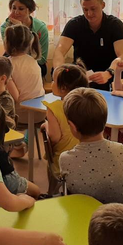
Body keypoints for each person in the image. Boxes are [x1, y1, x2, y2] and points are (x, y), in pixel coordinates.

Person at [59, 88, 123, 207]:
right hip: (119, 215)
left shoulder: (65, 159)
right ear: (105, 120)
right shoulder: (120, 149)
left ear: (72, 126)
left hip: (82, 215)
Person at [52, 0, 123, 90]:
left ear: (103, 5)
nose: (89, 13)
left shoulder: (115, 25)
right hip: (82, 78)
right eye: (85, 9)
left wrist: (109, 72)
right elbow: (59, 51)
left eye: (93, 9)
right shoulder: (74, 24)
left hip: (110, 77)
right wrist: (59, 72)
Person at [42, 64, 88, 193]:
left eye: (54, 81)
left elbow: (54, 137)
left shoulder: (54, 107)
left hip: (63, 160)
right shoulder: (87, 104)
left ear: (63, 88)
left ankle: (52, 192)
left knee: (51, 165)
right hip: (87, 157)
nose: (52, 83)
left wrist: (46, 126)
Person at [0, 0, 49, 76]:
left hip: (34, 61)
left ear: (30, 11)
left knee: (41, 69)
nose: (16, 12)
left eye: (21, 9)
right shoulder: (5, 27)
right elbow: (11, 51)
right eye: (13, 8)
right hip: (14, 57)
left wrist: (21, 28)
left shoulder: (41, 28)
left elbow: (42, 59)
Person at [4, 24, 45, 103]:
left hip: (23, 108)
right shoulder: (33, 60)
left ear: (7, 42)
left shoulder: (7, 64)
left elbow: (16, 97)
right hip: (40, 105)